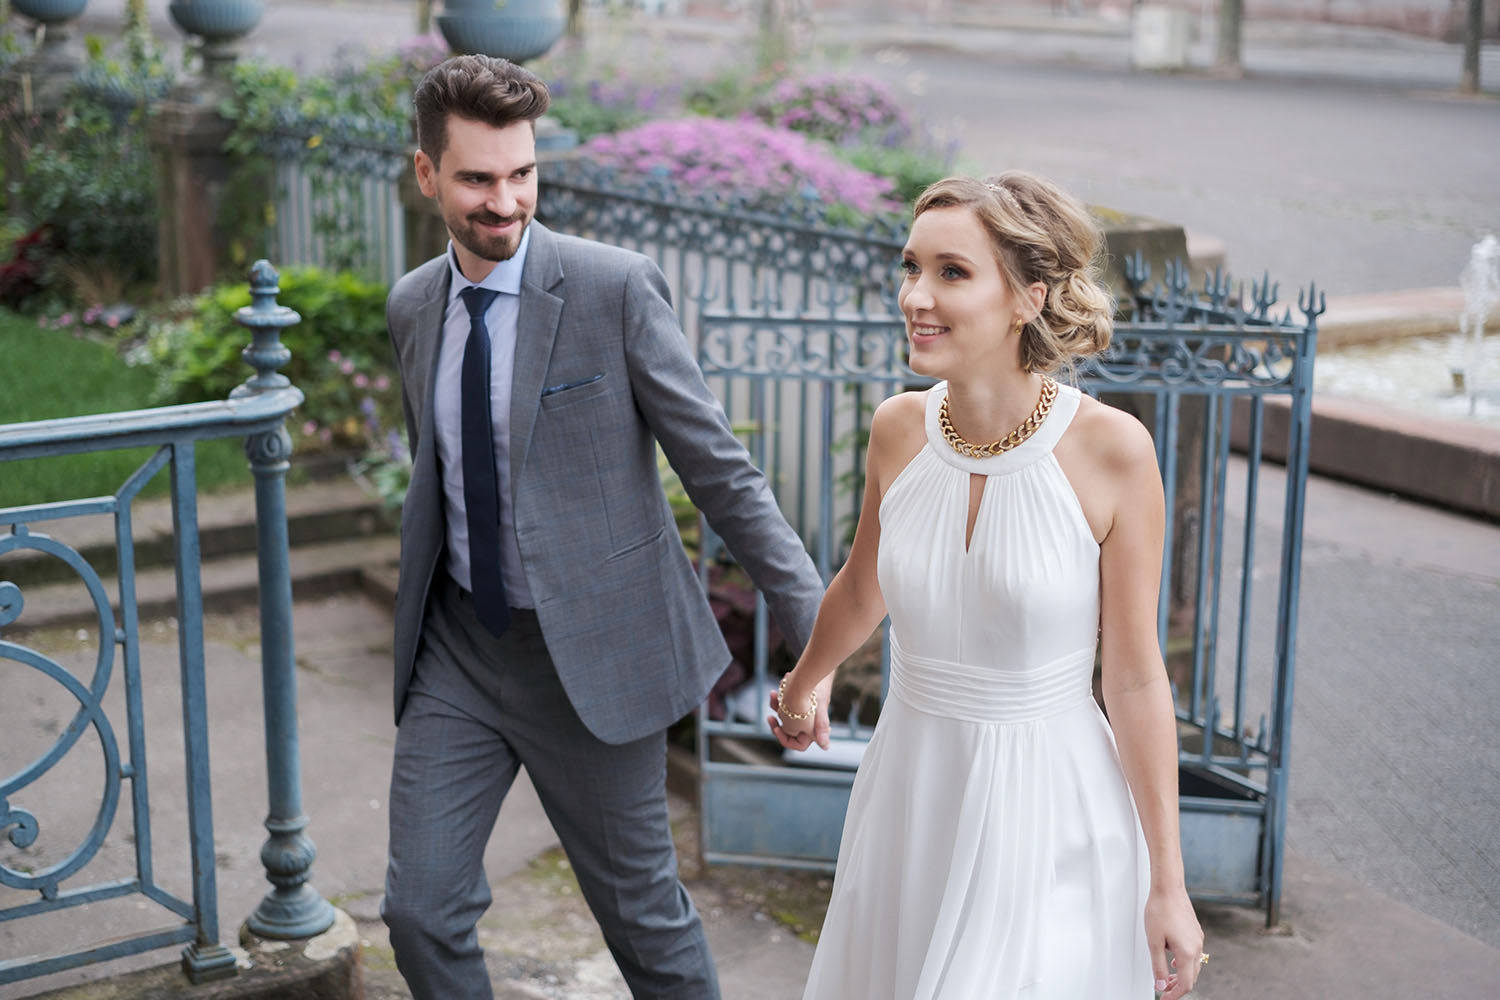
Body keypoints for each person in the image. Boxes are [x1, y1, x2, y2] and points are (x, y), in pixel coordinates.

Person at [379, 55, 829, 1000]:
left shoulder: (611, 288)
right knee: (419, 913)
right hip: (458, 650)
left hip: (592, 654)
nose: (506, 203)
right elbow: (441, 469)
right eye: (477, 180)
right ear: (427, 175)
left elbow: (717, 466)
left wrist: (816, 629)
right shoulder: (414, 306)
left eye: (522, 174)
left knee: (644, 923)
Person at [770, 171, 1206, 999]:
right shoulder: (898, 429)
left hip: (1049, 810)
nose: (915, 296)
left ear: (1028, 298)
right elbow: (863, 589)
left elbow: (1137, 673)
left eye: (952, 272)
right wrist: (802, 683)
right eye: (912, 267)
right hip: (913, 791)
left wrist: (1168, 884)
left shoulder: (1113, 451)